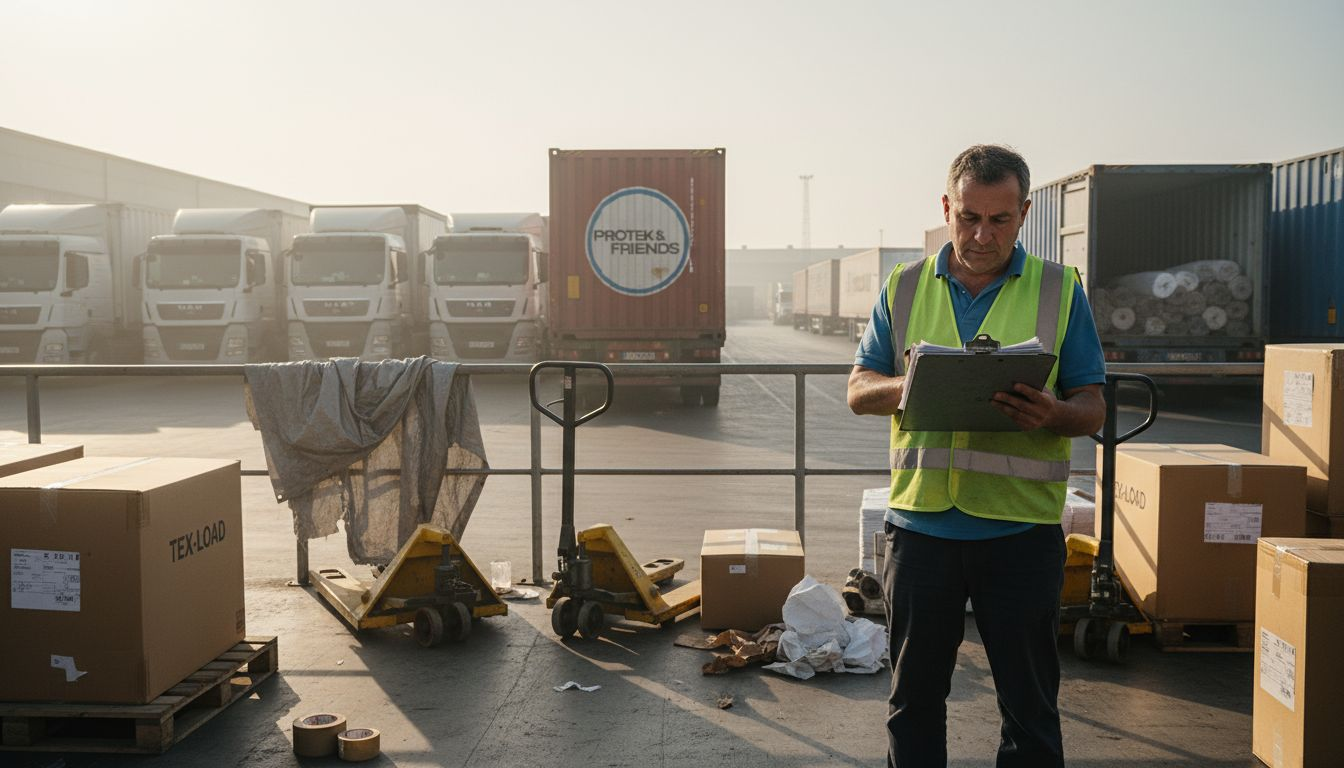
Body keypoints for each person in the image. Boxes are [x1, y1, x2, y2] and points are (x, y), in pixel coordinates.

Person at [846, 144, 1106, 768]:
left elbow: (1092, 407)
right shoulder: (904, 286)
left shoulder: (1059, 289)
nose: (982, 235)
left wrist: (1054, 413)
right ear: (946, 208)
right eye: (968, 218)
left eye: (999, 220)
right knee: (913, 704)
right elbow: (858, 390)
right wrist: (911, 385)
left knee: (1030, 711)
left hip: (1020, 533)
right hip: (921, 532)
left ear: (1024, 214)